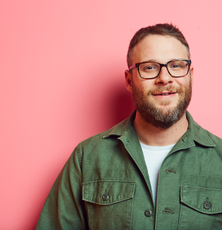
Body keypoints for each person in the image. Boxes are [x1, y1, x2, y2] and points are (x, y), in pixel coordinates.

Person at [36, 23, 222, 230]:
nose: (165, 78)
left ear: (190, 75)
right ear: (129, 80)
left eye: (176, 66)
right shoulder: (86, 158)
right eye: (149, 67)